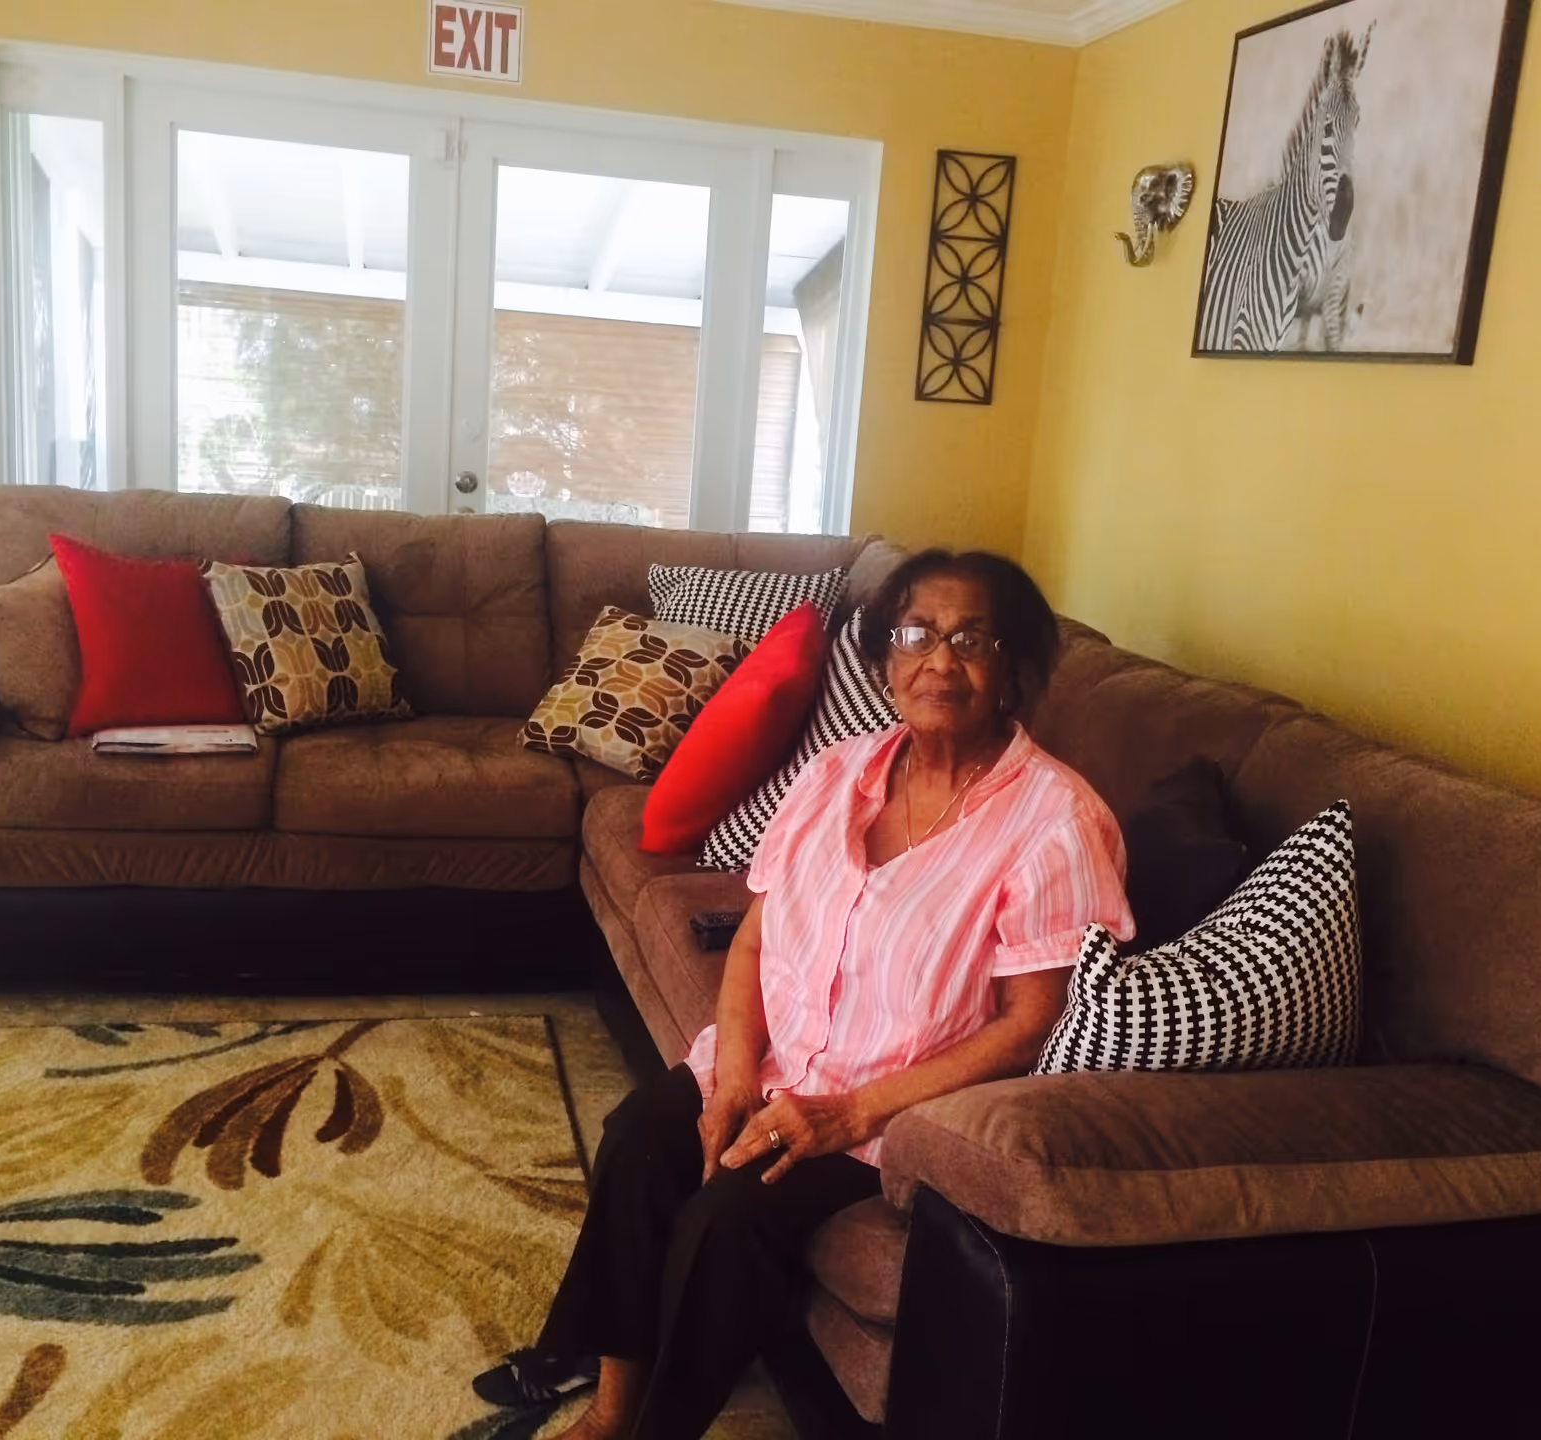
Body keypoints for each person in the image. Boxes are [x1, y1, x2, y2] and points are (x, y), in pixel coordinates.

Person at [474, 549, 1134, 1439]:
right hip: (775, 1057)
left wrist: (846, 1113)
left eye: (972, 638)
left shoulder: (1057, 821)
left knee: (727, 1216)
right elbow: (755, 934)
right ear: (886, 660)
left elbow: (1030, 1025)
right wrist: (737, 1075)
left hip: (887, 1106)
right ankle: (609, 1406)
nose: (941, 660)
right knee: (637, 1140)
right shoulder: (840, 773)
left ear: (1013, 672)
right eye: (918, 634)